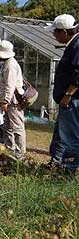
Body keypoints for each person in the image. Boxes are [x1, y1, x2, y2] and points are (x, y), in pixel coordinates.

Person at [45, 14, 79, 173]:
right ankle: (58, 164)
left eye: (55, 32)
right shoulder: (72, 45)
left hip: (72, 100)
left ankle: (68, 170)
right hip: (67, 100)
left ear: (64, 32)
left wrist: (68, 94)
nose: (54, 36)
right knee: (62, 134)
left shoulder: (77, 45)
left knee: (71, 137)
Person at [0, 40, 26, 159]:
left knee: (17, 127)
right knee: (8, 126)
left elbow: (10, 86)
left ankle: (20, 153)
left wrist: (5, 101)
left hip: (13, 101)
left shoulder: (10, 65)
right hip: (9, 101)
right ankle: (11, 149)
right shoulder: (6, 64)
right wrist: (1, 99)